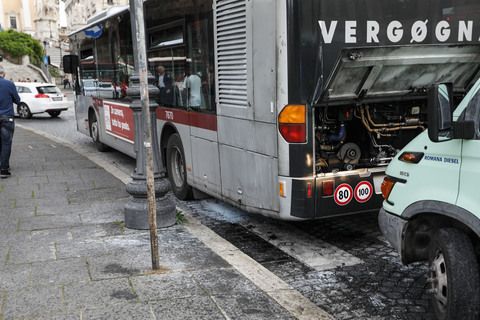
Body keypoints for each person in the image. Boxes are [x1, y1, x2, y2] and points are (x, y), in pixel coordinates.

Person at [0, 65, 21, 178]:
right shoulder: (9, 84)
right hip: (6, 117)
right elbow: (17, 100)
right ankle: (4, 169)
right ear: (3, 73)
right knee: (6, 143)